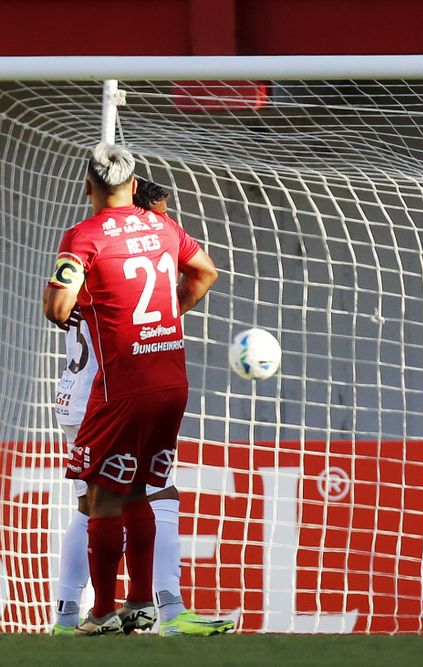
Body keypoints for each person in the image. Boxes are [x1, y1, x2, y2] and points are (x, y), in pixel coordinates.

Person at [43, 143, 218, 635]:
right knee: (141, 490)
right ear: (136, 187)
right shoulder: (163, 229)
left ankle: (95, 614)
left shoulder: (84, 237)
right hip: (163, 378)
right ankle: (136, 605)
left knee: (100, 499)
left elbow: (58, 309)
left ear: (87, 185)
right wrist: (169, 313)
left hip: (113, 385)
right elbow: (205, 270)